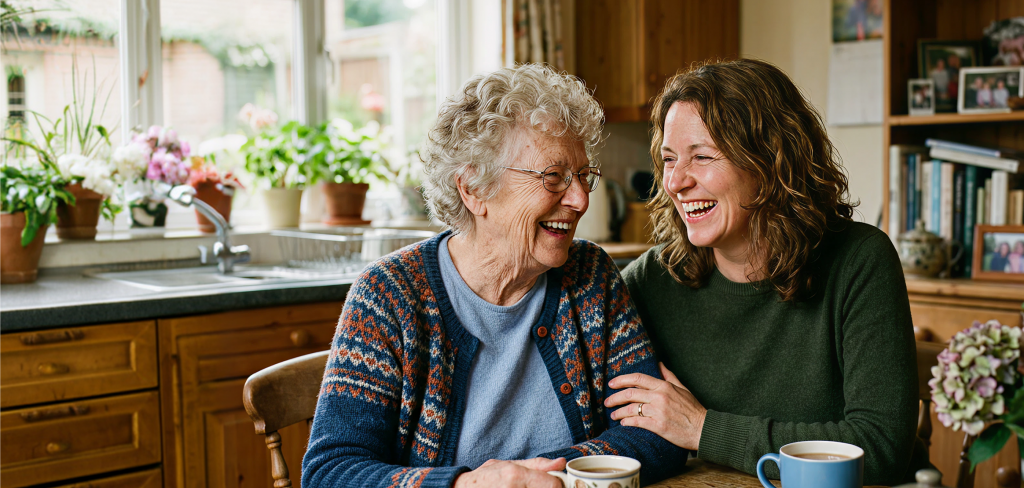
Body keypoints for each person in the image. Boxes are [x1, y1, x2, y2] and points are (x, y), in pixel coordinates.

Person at [302, 64, 686, 488]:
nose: (579, 200)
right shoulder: (390, 295)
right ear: (474, 189)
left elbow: (656, 433)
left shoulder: (591, 276)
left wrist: (547, 474)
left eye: (582, 176)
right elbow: (329, 473)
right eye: (553, 177)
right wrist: (464, 485)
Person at [603, 59, 926, 486]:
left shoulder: (859, 261)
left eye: (701, 156)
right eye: (668, 159)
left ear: (771, 162)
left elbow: (879, 447)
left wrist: (703, 429)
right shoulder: (652, 279)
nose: (675, 182)